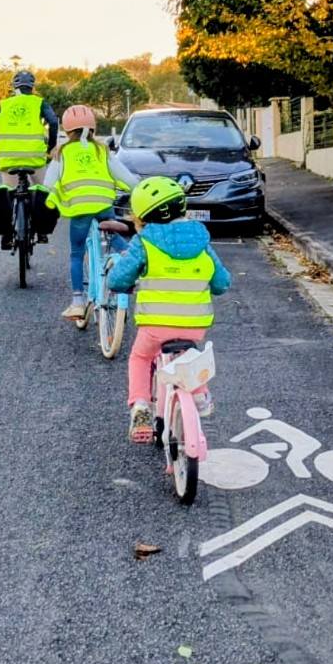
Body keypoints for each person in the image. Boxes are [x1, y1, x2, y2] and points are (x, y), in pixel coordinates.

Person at [107, 176, 232, 443]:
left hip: (155, 326)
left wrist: (125, 284)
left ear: (142, 216)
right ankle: (198, 393)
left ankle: (141, 407)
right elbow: (221, 283)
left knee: (140, 358)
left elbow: (118, 279)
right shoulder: (202, 243)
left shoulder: (145, 243)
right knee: (187, 355)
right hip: (195, 325)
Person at [44, 104, 139, 319]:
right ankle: (130, 260)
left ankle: (78, 301)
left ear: (66, 130)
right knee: (114, 237)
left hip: (79, 210)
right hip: (104, 205)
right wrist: (138, 190)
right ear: (93, 128)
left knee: (77, 253)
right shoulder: (102, 150)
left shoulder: (63, 152)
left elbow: (49, 183)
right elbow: (128, 179)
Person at [0, 69, 59, 187]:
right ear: (32, 87)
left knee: (9, 194)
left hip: (8, 158)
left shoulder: (4, 104)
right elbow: (54, 122)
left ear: (14, 86)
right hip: (35, 157)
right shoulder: (39, 102)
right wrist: (51, 147)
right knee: (45, 193)